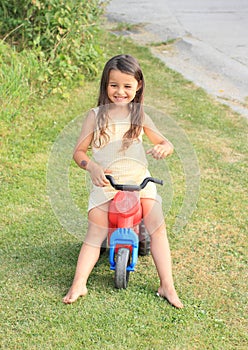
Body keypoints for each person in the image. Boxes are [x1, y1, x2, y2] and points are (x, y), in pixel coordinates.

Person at [63, 54, 183, 308]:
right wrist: (92, 166)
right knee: (94, 232)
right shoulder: (95, 116)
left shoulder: (139, 115)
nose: (120, 91)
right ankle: (79, 283)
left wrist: (164, 148)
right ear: (105, 85)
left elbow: (165, 142)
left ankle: (167, 285)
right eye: (114, 85)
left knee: (157, 226)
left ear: (138, 86)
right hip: (106, 184)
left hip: (139, 182)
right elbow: (78, 153)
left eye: (127, 86)